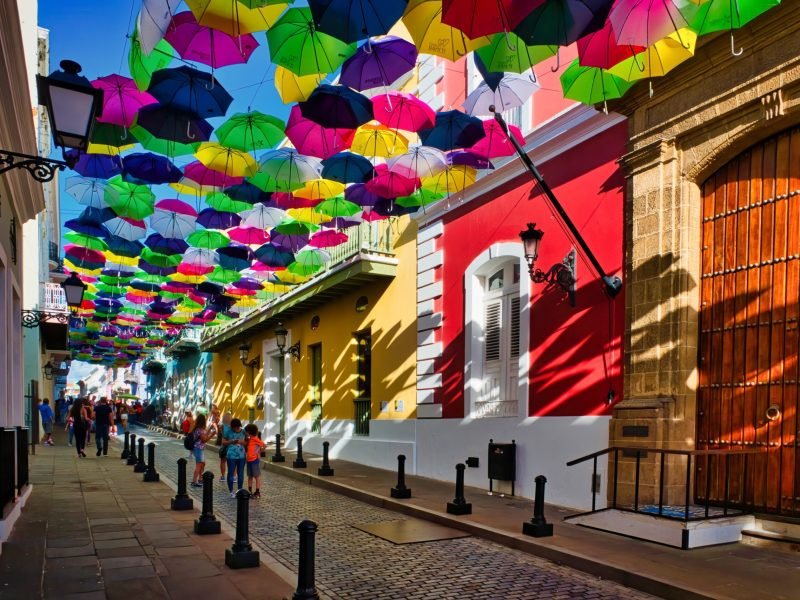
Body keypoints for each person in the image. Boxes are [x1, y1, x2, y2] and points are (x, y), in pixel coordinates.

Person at [190, 414, 216, 488]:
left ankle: (200, 478)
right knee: (199, 465)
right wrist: (212, 435)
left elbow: (204, 434)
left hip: (198, 449)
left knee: (202, 464)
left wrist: (210, 429)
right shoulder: (199, 430)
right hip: (198, 449)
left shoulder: (198, 429)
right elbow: (204, 440)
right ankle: (194, 481)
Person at [222, 419, 246, 498]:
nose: (236, 429)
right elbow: (223, 442)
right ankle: (231, 491)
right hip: (231, 455)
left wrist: (241, 442)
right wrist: (231, 441)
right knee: (231, 473)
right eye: (234, 427)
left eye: (238, 427)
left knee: (240, 473)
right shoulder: (228, 432)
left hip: (241, 456)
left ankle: (239, 489)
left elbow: (247, 443)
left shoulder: (243, 432)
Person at [244, 424, 265, 499]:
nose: (245, 432)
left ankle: (257, 491)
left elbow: (264, 445)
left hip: (254, 460)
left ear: (249, 432)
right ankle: (250, 491)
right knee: (250, 476)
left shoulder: (255, 439)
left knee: (257, 476)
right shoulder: (250, 439)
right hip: (249, 460)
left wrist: (259, 452)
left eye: (246, 431)